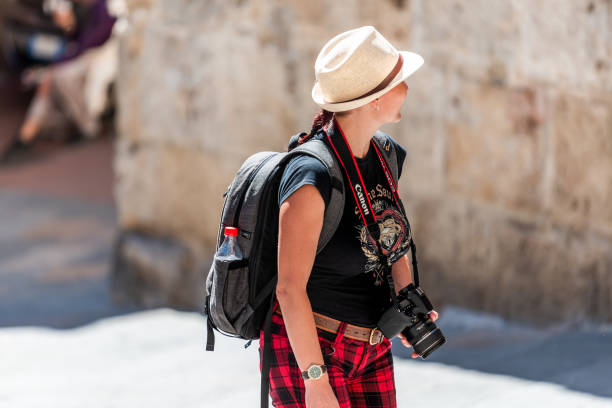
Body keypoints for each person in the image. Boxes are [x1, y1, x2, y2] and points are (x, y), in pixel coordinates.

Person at [259, 26, 439, 407]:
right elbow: (289, 288)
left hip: (371, 345)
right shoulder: (311, 175)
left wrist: (407, 304)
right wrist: (314, 380)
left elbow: (394, 238)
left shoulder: (386, 156)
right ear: (373, 100)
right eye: (399, 81)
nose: (407, 88)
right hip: (310, 349)